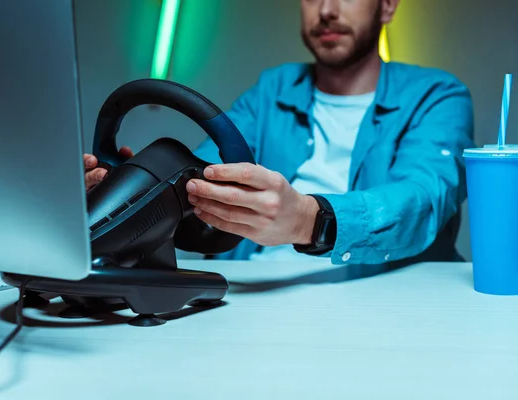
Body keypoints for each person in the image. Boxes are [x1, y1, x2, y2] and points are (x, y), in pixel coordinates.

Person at [84, 0, 475, 268]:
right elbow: (203, 179)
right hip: (254, 303)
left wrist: (311, 220)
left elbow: (425, 198)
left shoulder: (437, 95)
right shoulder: (271, 90)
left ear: (388, 5)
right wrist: (130, 191)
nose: (326, 10)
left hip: (379, 308)